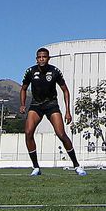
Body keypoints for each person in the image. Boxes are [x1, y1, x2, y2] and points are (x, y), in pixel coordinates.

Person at [20, 48, 86, 176]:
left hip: (51, 105)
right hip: (36, 105)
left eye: (44, 57)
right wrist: (22, 104)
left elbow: (65, 90)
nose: (41, 59)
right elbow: (23, 89)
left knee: (61, 134)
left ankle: (76, 165)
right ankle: (36, 167)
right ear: (36, 59)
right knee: (28, 132)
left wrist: (68, 111)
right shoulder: (30, 71)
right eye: (39, 57)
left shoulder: (55, 71)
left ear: (48, 58)